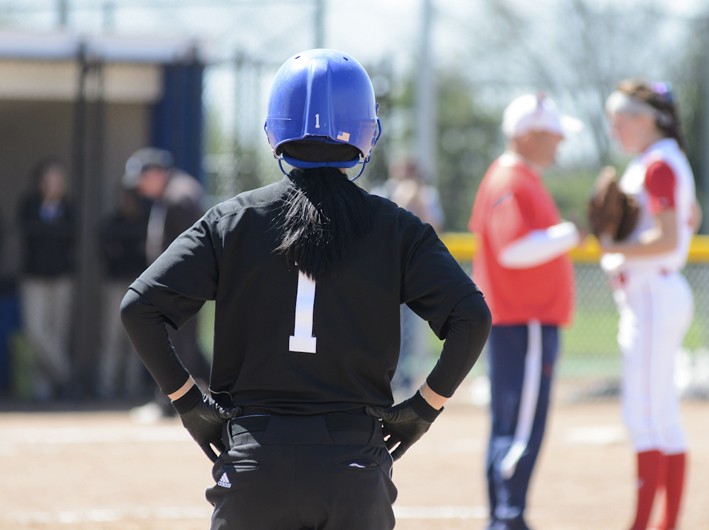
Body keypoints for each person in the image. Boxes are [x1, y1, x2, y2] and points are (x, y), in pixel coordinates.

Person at [120, 48, 492, 530]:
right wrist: (424, 408)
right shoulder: (397, 228)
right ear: (368, 132)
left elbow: (139, 307)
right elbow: (472, 318)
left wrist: (190, 403)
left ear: (274, 130)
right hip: (354, 466)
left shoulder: (231, 220)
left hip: (255, 462)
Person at [469, 92, 583, 530]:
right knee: (519, 428)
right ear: (528, 135)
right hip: (524, 321)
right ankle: (508, 519)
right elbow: (512, 248)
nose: (559, 144)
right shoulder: (510, 180)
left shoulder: (522, 178)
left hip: (524, 321)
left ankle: (505, 516)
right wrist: (571, 233)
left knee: (513, 424)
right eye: (552, 136)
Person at [600, 79, 701, 530]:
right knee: (661, 414)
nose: (615, 129)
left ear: (646, 119)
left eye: (620, 120)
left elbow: (670, 236)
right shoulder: (664, 161)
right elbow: (691, 217)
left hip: (653, 295)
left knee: (643, 414)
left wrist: (616, 249)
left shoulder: (657, 164)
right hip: (657, 292)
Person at [122, 147, 210, 418]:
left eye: (142, 179)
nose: (139, 188)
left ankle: (169, 404)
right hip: (178, 287)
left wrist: (178, 289)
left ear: (156, 173)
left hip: (180, 288)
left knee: (172, 346)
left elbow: (193, 251)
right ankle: (226, 392)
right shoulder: (173, 192)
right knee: (185, 346)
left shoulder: (178, 196)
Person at [374, 158, 445, 398]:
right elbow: (381, 225)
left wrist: (418, 199)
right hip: (383, 271)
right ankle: (383, 379)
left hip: (414, 272)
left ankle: (403, 381)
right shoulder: (382, 190)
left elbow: (434, 227)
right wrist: (403, 197)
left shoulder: (427, 194)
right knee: (382, 328)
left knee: (410, 333)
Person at [17, 157, 75, 401]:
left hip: (61, 277)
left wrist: (50, 227)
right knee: (36, 332)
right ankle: (68, 377)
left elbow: (70, 236)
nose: (53, 184)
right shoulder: (29, 205)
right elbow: (29, 232)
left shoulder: (69, 207)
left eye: (57, 180)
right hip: (34, 277)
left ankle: (50, 389)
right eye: (49, 180)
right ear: (40, 181)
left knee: (57, 332)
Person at [96, 186, 150, 400]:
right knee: (111, 335)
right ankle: (106, 385)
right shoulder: (112, 221)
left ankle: (132, 386)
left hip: (139, 285)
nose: (126, 203)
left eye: (130, 199)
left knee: (136, 337)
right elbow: (105, 249)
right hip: (115, 284)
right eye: (123, 199)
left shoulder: (146, 221)